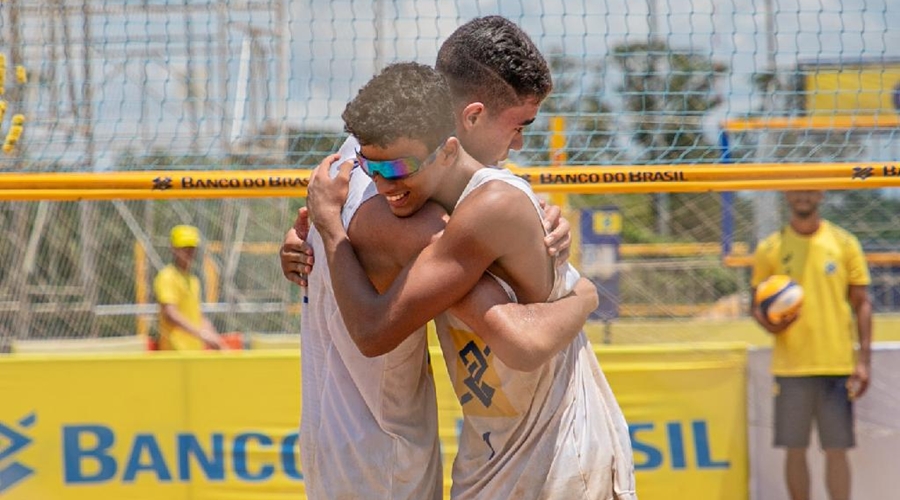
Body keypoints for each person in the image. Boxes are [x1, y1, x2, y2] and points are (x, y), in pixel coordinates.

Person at [287, 18, 600, 500]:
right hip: (386, 452)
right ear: (471, 116)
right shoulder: (423, 209)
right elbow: (520, 336)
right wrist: (585, 293)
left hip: (347, 435)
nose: (518, 143)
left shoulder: (355, 163)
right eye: (519, 125)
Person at [751, 190, 873, 500]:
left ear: (820, 194)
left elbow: (862, 303)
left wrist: (863, 362)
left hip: (836, 364)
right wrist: (771, 323)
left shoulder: (843, 243)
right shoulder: (770, 247)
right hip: (791, 367)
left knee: (836, 449)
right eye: (797, 190)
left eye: (809, 190)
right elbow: (757, 305)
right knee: (795, 449)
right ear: (787, 196)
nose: (802, 196)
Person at [153, 224, 226, 351]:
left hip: (194, 351)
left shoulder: (193, 280)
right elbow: (170, 314)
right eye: (184, 248)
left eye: (191, 248)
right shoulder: (167, 276)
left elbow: (197, 316)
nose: (189, 252)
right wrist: (201, 334)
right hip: (174, 352)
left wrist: (215, 338)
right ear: (173, 248)